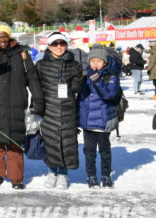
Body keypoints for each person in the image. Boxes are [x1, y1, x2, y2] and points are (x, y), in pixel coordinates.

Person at [0, 22, 44, 190]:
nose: (2, 39)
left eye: (5, 36)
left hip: (17, 102)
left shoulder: (21, 53)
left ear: (9, 37)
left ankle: (16, 177)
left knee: (15, 141)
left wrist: (38, 99)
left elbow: (32, 77)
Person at [34, 32, 84, 190]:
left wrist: (79, 77)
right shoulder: (41, 65)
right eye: (55, 44)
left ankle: (62, 174)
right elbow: (36, 89)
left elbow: (77, 89)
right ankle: (51, 172)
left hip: (68, 109)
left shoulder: (74, 64)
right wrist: (36, 107)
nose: (59, 47)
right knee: (51, 142)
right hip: (49, 109)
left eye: (62, 43)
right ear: (49, 47)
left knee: (67, 143)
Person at [78, 48, 120, 189]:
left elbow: (109, 95)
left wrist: (97, 81)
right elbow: (80, 99)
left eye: (99, 61)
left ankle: (106, 175)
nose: (95, 63)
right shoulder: (85, 77)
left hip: (103, 122)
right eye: (92, 61)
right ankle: (91, 176)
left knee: (105, 152)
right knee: (89, 152)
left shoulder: (111, 77)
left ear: (105, 62)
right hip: (88, 122)